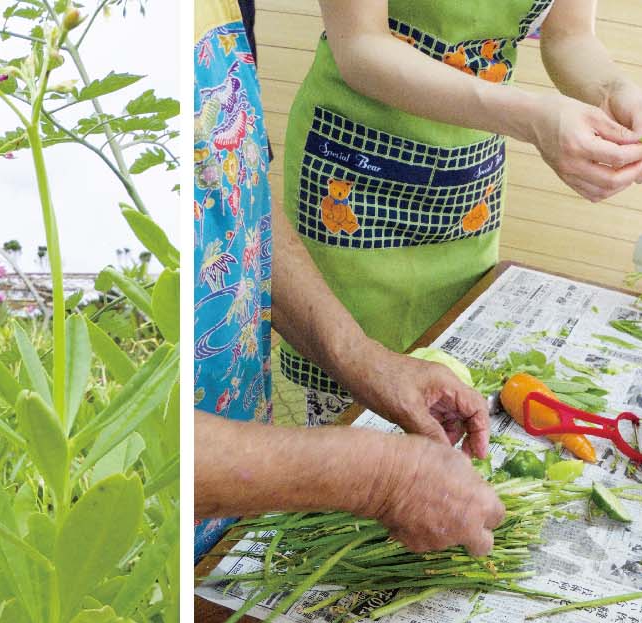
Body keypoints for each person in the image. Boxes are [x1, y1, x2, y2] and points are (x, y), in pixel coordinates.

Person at [194, 0, 504, 561]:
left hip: (236, 507)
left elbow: (239, 206)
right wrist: (381, 478)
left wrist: (364, 360)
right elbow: (143, 442)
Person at [278, 0, 642, 424]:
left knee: (456, 393)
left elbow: (570, 36)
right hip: (355, 174)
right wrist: (530, 119)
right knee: (355, 398)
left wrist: (615, 89)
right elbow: (360, 44)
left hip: (468, 185)